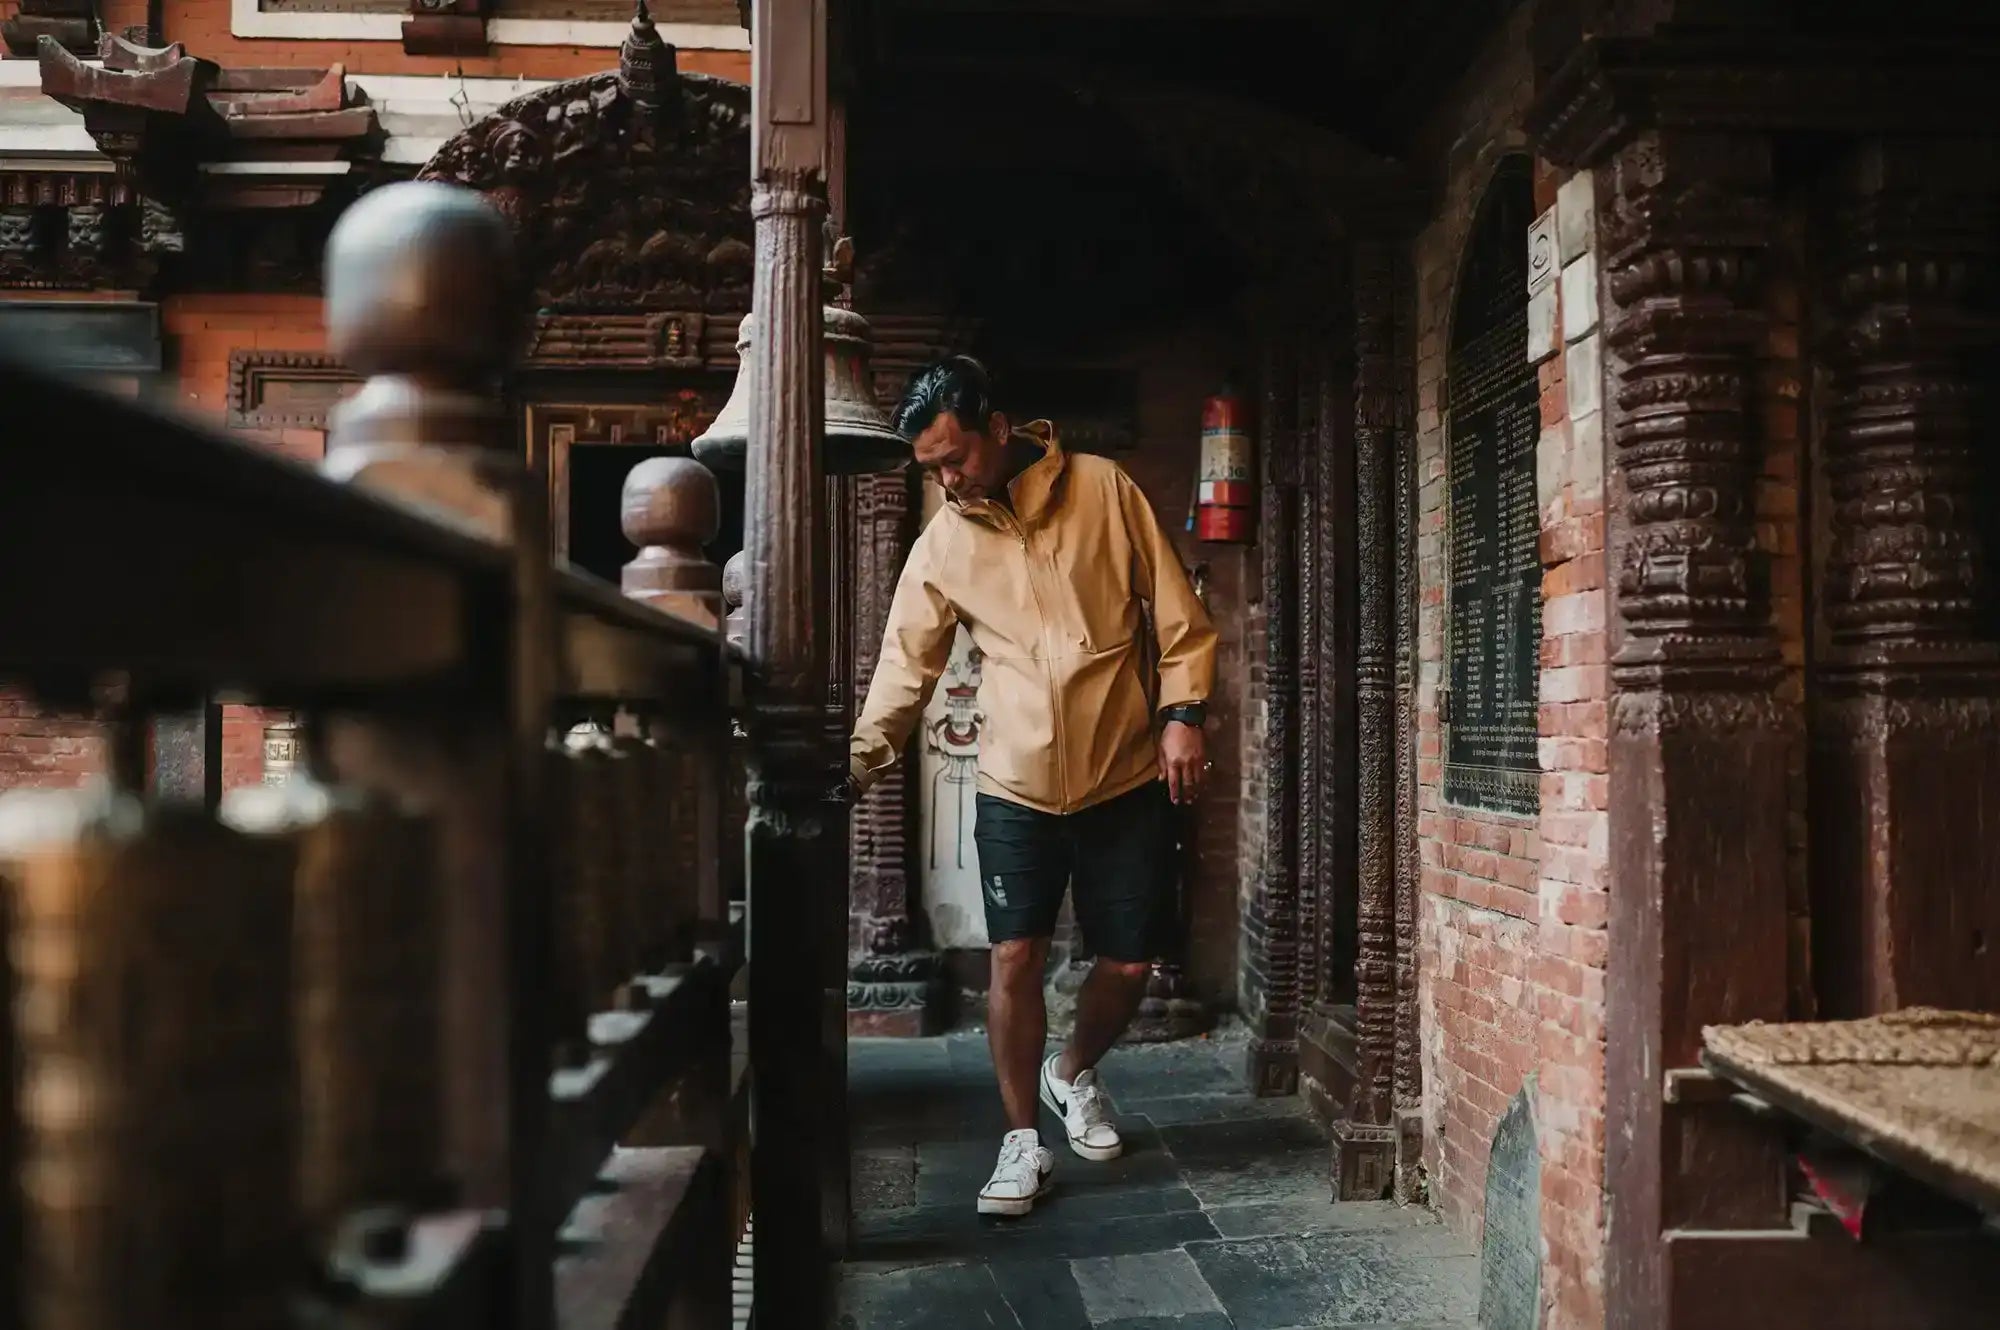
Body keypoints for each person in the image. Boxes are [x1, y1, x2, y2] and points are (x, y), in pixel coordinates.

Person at [845, 356, 1218, 1217]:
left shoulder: (1104, 489)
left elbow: (1176, 615)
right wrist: (864, 756)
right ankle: (1021, 1142)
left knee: (1129, 961)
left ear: (997, 428)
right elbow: (907, 663)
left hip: (1125, 772)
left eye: (954, 458)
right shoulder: (944, 540)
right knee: (1015, 955)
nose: (945, 479)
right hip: (1015, 783)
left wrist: (1184, 711)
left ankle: (1071, 1070)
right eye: (930, 467)